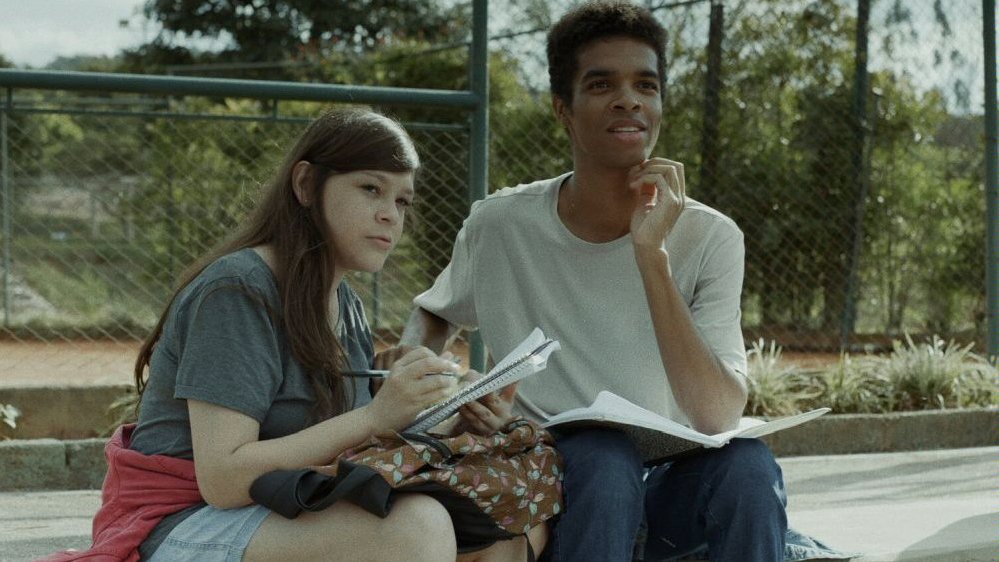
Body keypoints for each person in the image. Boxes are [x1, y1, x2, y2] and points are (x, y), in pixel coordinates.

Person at [400, 2, 848, 561]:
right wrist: (423, 372)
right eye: (601, 84)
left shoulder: (712, 236)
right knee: (604, 455)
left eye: (646, 85)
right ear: (563, 110)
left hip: (668, 486)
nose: (629, 99)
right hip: (551, 477)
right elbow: (435, 311)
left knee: (749, 467)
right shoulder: (500, 225)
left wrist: (651, 254)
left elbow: (716, 416)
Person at [41, 107, 546, 562]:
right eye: (370, 189)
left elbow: (340, 449)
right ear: (306, 185)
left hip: (280, 508)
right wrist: (375, 417)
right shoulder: (238, 290)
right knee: (417, 527)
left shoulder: (343, 302)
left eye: (402, 201)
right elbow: (223, 479)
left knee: (500, 530)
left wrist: (449, 419)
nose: (390, 215)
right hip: (178, 522)